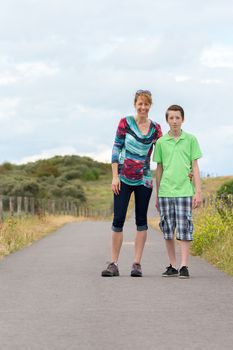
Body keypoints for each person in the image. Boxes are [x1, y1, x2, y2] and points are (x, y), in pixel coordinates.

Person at [101, 90, 162, 277]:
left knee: (141, 221)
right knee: (118, 220)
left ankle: (137, 264)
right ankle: (113, 263)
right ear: (135, 105)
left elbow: (162, 157)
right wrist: (114, 176)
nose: (143, 107)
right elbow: (116, 148)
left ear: (150, 106)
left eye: (146, 104)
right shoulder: (125, 123)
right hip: (123, 178)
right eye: (140, 104)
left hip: (144, 179)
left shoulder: (156, 129)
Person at [153, 104, 202, 279]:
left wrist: (198, 192)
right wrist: (158, 194)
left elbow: (195, 167)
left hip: (184, 190)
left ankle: (184, 265)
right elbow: (158, 169)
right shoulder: (160, 142)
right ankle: (172, 265)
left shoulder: (191, 140)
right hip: (166, 191)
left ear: (183, 119)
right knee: (167, 229)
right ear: (167, 120)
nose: (174, 121)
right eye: (171, 118)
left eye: (177, 118)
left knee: (185, 228)